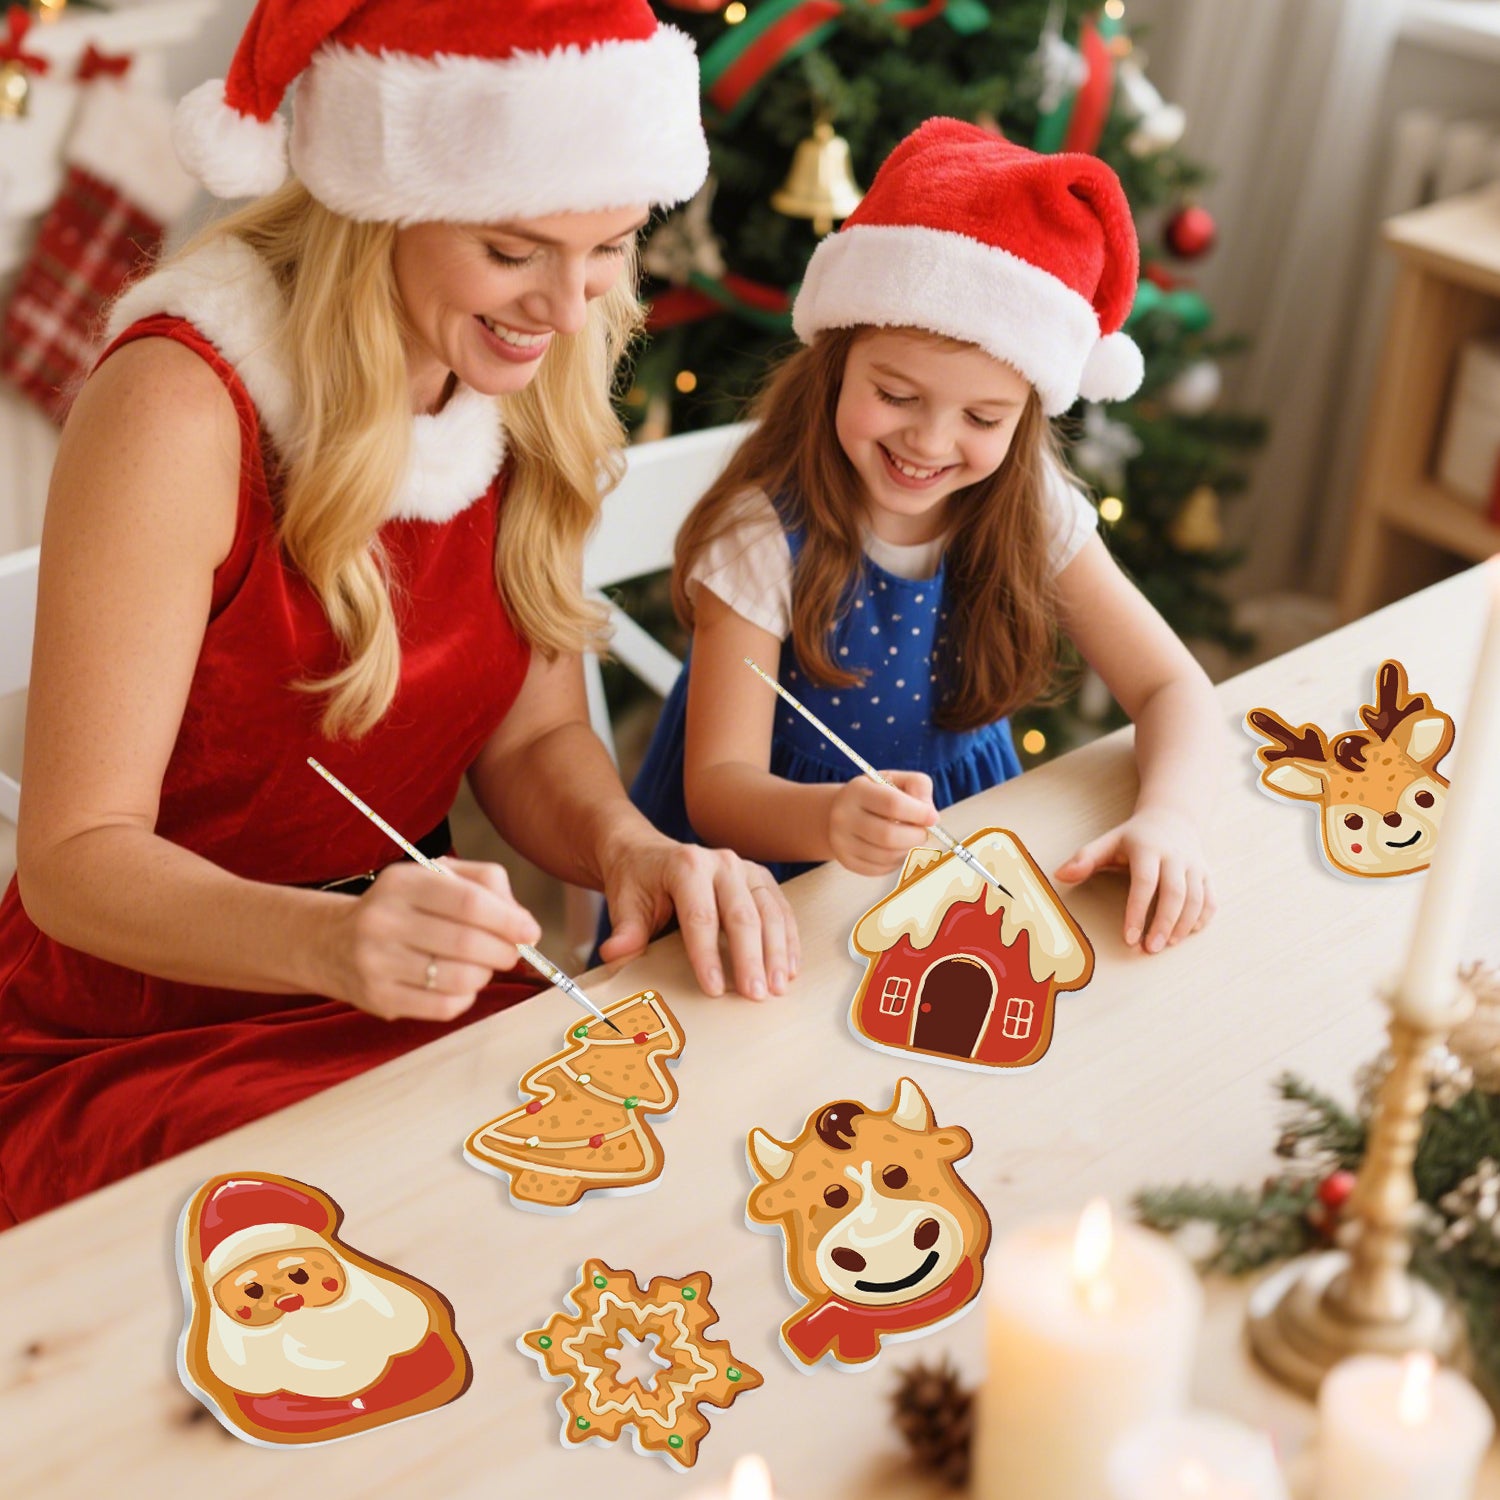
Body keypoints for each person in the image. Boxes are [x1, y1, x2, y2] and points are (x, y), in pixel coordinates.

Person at [0, 0, 796, 1230]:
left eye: (607, 248)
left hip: (402, 987)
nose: (572, 309)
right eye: (515, 248)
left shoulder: (522, 380)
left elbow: (531, 744)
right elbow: (71, 866)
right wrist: (330, 946)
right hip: (132, 1032)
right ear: (382, 197)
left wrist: (626, 845)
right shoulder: (179, 406)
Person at [627, 118, 1223, 954]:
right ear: (836, 360)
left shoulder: (1030, 506)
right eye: (897, 395)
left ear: (1025, 420)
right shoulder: (762, 533)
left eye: (982, 416)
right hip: (773, 890)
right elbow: (717, 790)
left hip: (958, 863)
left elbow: (1173, 689)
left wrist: (1170, 819)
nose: (931, 443)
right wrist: (830, 817)